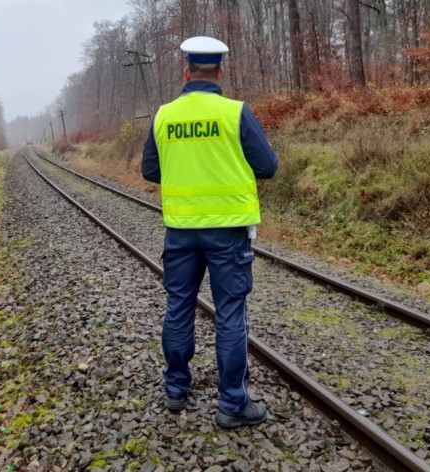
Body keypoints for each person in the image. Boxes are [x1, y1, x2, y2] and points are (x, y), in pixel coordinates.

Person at [142, 36, 278, 429]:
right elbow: (267, 166)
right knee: (231, 314)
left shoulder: (164, 115)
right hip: (229, 231)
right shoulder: (235, 112)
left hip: (181, 230)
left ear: (186, 71)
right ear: (221, 71)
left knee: (179, 305)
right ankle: (233, 404)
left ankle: (176, 389)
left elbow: (150, 170)